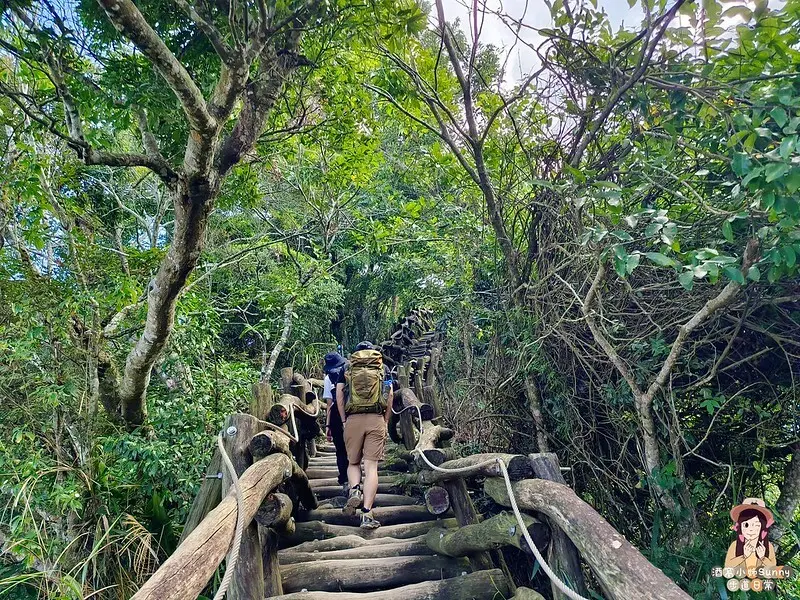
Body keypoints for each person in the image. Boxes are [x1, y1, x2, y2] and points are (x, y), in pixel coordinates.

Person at [336, 341, 394, 529]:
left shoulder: (347, 366)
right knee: (371, 468)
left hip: (353, 419)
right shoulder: (382, 366)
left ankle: (354, 491)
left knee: (353, 463)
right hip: (376, 418)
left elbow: (338, 395)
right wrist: (385, 420)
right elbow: (390, 394)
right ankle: (367, 514)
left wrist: (344, 420)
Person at [724, 498, 777, 573]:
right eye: (746, 525)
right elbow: (727, 566)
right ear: (740, 526)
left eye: (756, 525)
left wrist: (762, 558)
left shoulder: (768, 546)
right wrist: (744, 556)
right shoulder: (735, 545)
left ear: (762, 527)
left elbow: (773, 569)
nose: (751, 529)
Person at [322, 351, 349, 496]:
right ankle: (356, 479)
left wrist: (327, 426)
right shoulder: (349, 372)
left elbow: (329, 404)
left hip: (336, 417)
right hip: (352, 413)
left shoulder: (328, 378)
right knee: (354, 448)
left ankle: (345, 480)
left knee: (340, 450)